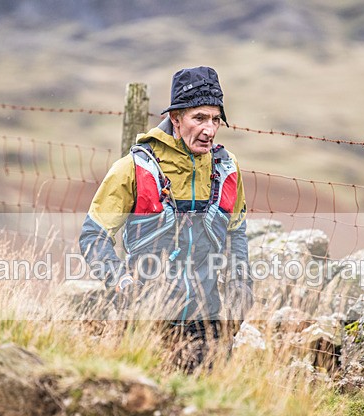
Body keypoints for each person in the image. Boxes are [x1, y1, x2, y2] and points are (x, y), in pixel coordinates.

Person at [78, 66, 253, 372]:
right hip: (145, 320)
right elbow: (93, 236)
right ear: (175, 118)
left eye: (215, 119)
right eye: (199, 118)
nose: (209, 130)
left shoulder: (228, 169)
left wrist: (241, 282)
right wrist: (118, 279)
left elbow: (236, 232)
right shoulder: (134, 168)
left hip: (207, 325)